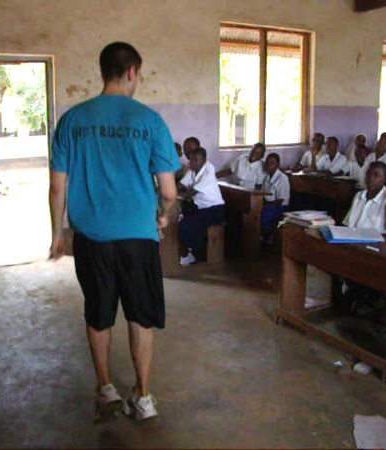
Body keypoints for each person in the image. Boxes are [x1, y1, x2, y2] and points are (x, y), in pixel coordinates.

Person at [49, 42, 179, 422]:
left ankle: (106, 390)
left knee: (99, 314)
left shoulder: (73, 120)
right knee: (140, 317)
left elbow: (58, 186)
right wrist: (161, 214)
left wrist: (58, 232)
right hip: (138, 239)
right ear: (132, 71)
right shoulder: (150, 121)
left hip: (91, 239)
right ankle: (143, 396)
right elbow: (169, 191)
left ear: (103, 70)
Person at [177, 147, 225, 265]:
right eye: (190, 159)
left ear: (203, 161)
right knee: (178, 218)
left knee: (187, 225)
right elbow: (181, 184)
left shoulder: (208, 172)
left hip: (215, 209)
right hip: (200, 206)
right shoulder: (193, 170)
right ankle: (187, 250)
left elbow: (189, 193)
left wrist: (170, 193)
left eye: (195, 160)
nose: (190, 162)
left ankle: (194, 254)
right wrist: (169, 189)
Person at [342, 161, 386, 233]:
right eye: (368, 174)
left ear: (385, 179)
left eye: (376, 175)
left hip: (373, 243)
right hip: (351, 239)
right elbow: (348, 223)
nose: (370, 178)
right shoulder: (359, 195)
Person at [261, 153, 290, 245]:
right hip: (269, 205)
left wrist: (265, 205)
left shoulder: (283, 178)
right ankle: (260, 237)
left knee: (263, 214)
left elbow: (280, 201)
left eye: (272, 163)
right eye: (267, 163)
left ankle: (266, 239)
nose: (269, 165)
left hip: (280, 207)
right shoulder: (266, 176)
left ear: (277, 165)